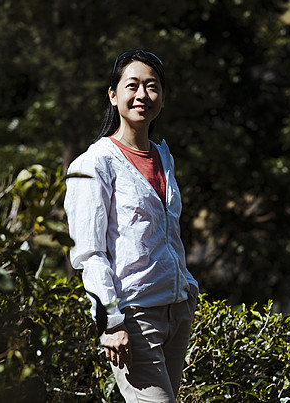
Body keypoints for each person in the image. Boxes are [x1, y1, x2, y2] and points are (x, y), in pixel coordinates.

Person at [64, 50, 199, 403]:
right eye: (132, 85)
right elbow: (89, 252)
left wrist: (188, 288)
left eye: (152, 87)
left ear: (163, 98)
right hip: (135, 318)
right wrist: (111, 321)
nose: (142, 95)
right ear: (113, 95)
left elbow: (167, 234)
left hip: (177, 311)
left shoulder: (163, 156)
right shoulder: (95, 163)